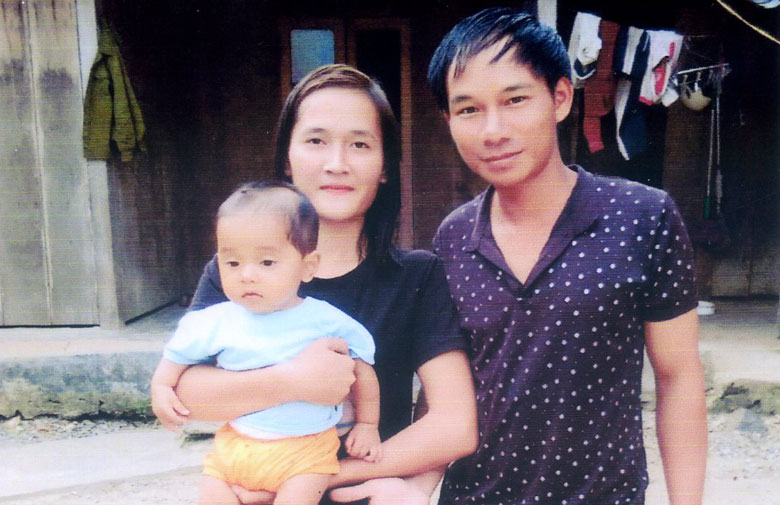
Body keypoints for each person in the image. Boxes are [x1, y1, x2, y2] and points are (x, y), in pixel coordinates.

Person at [155, 64, 478, 504]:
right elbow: (186, 396)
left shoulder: (418, 277)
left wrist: (314, 476)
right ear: (287, 160)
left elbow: (455, 425)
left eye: (360, 144)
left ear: (385, 165)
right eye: (316, 141)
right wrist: (293, 380)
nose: (336, 164)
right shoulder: (238, 273)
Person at [427, 8, 707, 505]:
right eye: (468, 110)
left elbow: (678, 377)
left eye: (515, 100)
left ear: (559, 97)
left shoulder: (643, 217)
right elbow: (444, 398)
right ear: (449, 121)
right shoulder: (452, 239)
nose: (493, 130)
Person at [151, 182, 383, 505]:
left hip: (306, 452)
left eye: (266, 263)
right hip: (236, 445)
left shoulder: (326, 320)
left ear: (307, 267)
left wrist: (368, 423)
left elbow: (362, 368)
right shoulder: (215, 321)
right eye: (233, 263)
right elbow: (176, 358)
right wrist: (161, 387)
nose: (247, 275)